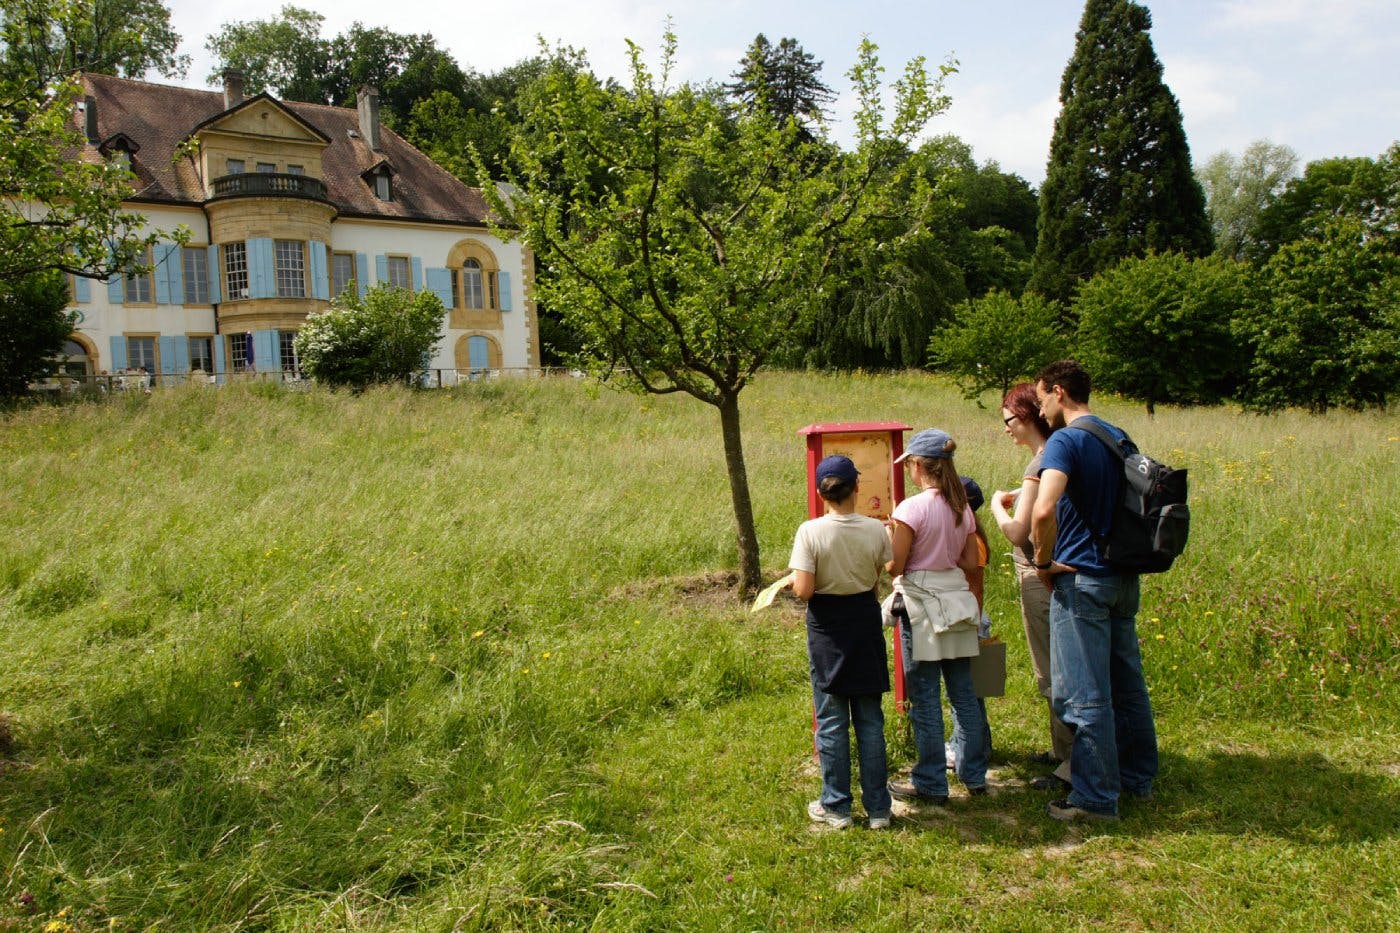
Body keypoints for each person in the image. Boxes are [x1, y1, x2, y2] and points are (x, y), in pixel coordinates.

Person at [1030, 360, 1158, 822]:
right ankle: (1136, 778)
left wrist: (1042, 562)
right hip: (1123, 576)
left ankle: (1095, 798)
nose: (1039, 407)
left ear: (1059, 392)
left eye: (1041, 396)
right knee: (1127, 686)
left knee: (1082, 694)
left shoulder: (1065, 440)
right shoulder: (1117, 435)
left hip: (1082, 580)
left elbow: (1044, 511)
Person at [789, 455, 894, 830]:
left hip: (828, 628)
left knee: (832, 720)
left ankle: (836, 807)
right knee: (869, 718)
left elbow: (804, 590)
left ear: (820, 492)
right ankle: (879, 807)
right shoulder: (875, 529)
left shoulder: (810, 532)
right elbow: (885, 568)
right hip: (864, 622)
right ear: (857, 488)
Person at [884, 429, 988, 805]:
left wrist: (887, 544)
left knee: (925, 696)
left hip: (922, 605)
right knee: (964, 693)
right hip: (956, 600)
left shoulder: (911, 508)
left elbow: (896, 563)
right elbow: (971, 562)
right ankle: (974, 774)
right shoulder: (961, 507)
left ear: (917, 466)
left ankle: (930, 781)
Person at [989, 383, 1074, 792]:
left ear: (1024, 417)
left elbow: (1018, 530)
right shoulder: (1058, 453)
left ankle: (1070, 764)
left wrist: (994, 507)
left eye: (1007, 420)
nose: (1006, 429)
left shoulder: (1039, 461)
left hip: (1039, 575)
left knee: (1052, 669)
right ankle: (1065, 752)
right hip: (1065, 572)